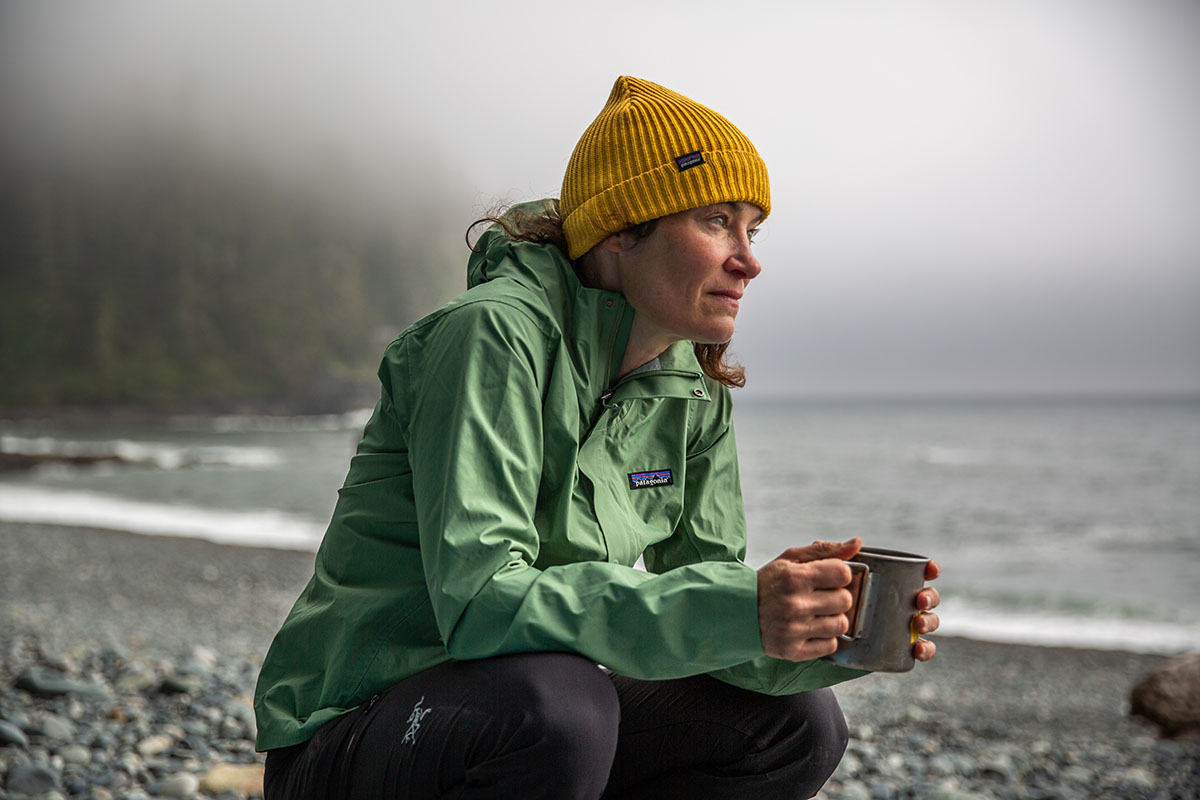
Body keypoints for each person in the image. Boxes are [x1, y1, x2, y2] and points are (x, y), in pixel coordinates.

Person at [253, 75, 941, 800]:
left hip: (523, 714)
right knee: (563, 708)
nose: (748, 259)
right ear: (619, 229)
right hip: (354, 733)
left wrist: (822, 632)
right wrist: (739, 607)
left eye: (753, 229)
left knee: (797, 725)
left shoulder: (693, 388)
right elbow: (482, 603)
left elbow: (710, 616)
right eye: (716, 221)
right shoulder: (491, 337)